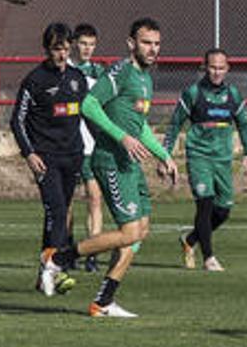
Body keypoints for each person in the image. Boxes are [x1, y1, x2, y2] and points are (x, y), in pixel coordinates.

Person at [43, 18, 179, 318]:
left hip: (129, 164)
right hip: (109, 161)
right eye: (146, 42)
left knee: (140, 231)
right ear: (131, 43)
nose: (153, 48)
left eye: (157, 43)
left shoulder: (146, 78)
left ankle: (103, 301)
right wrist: (121, 137)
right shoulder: (121, 71)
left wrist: (163, 155)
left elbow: (139, 126)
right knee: (129, 232)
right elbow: (90, 105)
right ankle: (57, 258)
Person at [10, 22, 88, 296]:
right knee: (56, 210)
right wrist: (29, 153)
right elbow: (16, 121)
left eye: (67, 48)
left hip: (73, 156)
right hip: (46, 159)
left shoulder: (78, 78)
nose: (62, 54)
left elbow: (89, 115)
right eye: (57, 49)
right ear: (47, 49)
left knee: (58, 215)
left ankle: (43, 273)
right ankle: (55, 270)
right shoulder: (35, 80)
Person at [163, 48, 247, 272]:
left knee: (223, 210)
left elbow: (243, 124)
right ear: (204, 67)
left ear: (227, 69)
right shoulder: (193, 93)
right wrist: (164, 155)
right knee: (204, 204)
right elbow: (175, 124)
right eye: (212, 67)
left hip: (223, 159)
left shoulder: (233, 95)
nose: (216, 72)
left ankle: (190, 240)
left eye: (221, 68)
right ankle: (209, 258)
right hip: (199, 156)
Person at [67, 23, 105, 273]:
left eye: (91, 44)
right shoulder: (64, 70)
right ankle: (68, 250)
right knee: (67, 202)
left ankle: (92, 252)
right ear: (73, 44)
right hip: (68, 145)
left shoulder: (99, 73)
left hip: (92, 146)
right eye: (83, 43)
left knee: (95, 197)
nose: (87, 49)